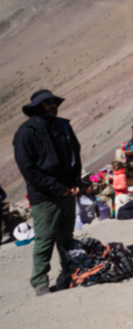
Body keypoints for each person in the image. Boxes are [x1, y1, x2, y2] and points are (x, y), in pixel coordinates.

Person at [13, 89, 82, 295]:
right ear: (37, 107)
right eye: (47, 103)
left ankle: (70, 271)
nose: (52, 106)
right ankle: (40, 281)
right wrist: (56, 188)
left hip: (67, 191)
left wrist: (74, 184)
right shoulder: (26, 132)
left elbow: (75, 156)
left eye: (53, 102)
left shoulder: (64, 127)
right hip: (44, 196)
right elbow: (28, 168)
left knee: (66, 236)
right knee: (45, 238)